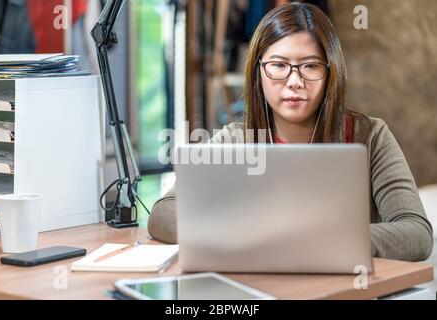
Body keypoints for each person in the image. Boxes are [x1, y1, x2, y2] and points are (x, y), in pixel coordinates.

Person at [148, 2, 433, 261]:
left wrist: (327, 239)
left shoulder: (369, 136)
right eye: (279, 66)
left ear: (330, 71)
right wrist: (238, 231)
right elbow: (163, 212)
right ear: (258, 72)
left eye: (310, 66)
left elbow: (417, 234)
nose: (294, 81)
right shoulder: (235, 139)